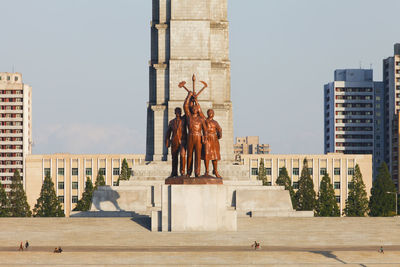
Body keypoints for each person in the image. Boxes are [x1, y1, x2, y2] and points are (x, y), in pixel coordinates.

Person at [183, 91, 205, 177]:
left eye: (196, 108)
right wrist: (188, 96)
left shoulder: (201, 119)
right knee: (189, 155)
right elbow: (185, 106)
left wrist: (196, 101)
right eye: (193, 108)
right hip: (190, 136)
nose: (194, 109)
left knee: (198, 156)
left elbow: (205, 129)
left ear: (198, 110)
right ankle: (188, 172)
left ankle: (197, 172)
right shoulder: (188, 116)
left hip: (198, 136)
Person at [165, 107, 187, 177]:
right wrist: (167, 141)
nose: (178, 113)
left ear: (181, 112)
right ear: (174, 113)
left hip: (182, 141)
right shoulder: (171, 122)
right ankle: (174, 172)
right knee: (174, 158)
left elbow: (188, 110)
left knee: (182, 155)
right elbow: (168, 133)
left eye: (179, 111)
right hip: (174, 141)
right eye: (177, 111)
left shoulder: (184, 120)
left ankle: (182, 172)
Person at [201, 109, 222, 177]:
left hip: (214, 139)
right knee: (207, 155)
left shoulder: (215, 122)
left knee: (215, 156)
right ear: (207, 113)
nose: (211, 113)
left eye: (212, 112)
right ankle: (207, 171)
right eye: (209, 112)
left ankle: (215, 170)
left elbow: (219, 129)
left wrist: (219, 135)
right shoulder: (204, 121)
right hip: (207, 138)